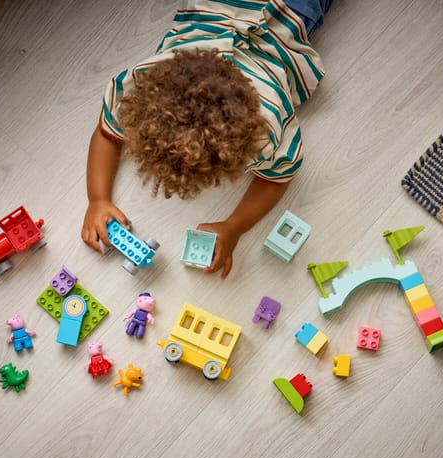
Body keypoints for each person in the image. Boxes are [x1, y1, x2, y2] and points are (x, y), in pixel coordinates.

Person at [81, 0, 332, 278]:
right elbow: (107, 133)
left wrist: (235, 227)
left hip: (291, 13)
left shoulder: (266, 127)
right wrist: (97, 199)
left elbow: (278, 177)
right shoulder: (142, 83)